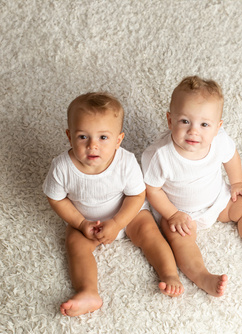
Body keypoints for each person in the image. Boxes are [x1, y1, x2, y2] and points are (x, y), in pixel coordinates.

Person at [142, 76, 242, 297]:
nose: (194, 131)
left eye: (204, 124)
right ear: (170, 120)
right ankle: (202, 276)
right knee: (179, 241)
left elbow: (231, 157)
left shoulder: (219, 140)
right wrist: (172, 214)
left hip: (218, 199)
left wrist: (237, 182)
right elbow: (151, 189)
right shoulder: (160, 155)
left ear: (218, 127)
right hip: (180, 213)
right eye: (184, 121)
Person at [44, 92, 183, 317]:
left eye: (103, 138)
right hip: (85, 219)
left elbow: (137, 196)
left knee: (150, 232)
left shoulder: (125, 162)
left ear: (118, 140)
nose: (92, 146)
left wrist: (118, 223)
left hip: (127, 214)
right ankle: (88, 291)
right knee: (75, 245)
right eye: (82, 137)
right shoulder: (62, 167)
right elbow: (56, 198)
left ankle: (169, 274)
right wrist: (80, 223)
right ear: (69, 137)